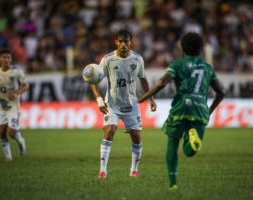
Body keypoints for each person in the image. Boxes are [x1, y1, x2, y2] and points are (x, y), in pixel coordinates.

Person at [138, 32, 226, 189]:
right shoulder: (207, 67)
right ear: (200, 50)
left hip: (180, 107)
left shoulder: (177, 64)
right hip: (199, 109)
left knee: (172, 144)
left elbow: (161, 83)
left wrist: (145, 97)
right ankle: (192, 139)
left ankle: (173, 184)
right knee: (190, 151)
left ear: (182, 48)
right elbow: (222, 92)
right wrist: (209, 110)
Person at [91, 29, 157, 178]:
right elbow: (94, 80)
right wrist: (99, 100)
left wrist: (150, 98)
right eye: (120, 41)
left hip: (131, 105)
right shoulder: (107, 60)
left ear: (131, 42)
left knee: (136, 136)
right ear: (116, 42)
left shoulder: (138, 59)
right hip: (112, 105)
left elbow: (143, 79)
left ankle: (134, 170)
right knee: (109, 132)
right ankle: (102, 171)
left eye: (126, 41)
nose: (123, 44)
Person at [0, 49, 29, 161]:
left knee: (11, 132)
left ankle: (20, 140)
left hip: (14, 107)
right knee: (1, 131)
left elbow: (26, 86)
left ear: (11, 59)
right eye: (3, 57)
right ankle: (8, 158)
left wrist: (16, 93)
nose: (6, 59)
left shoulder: (17, 73)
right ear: (0, 59)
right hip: (1, 107)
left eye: (8, 57)